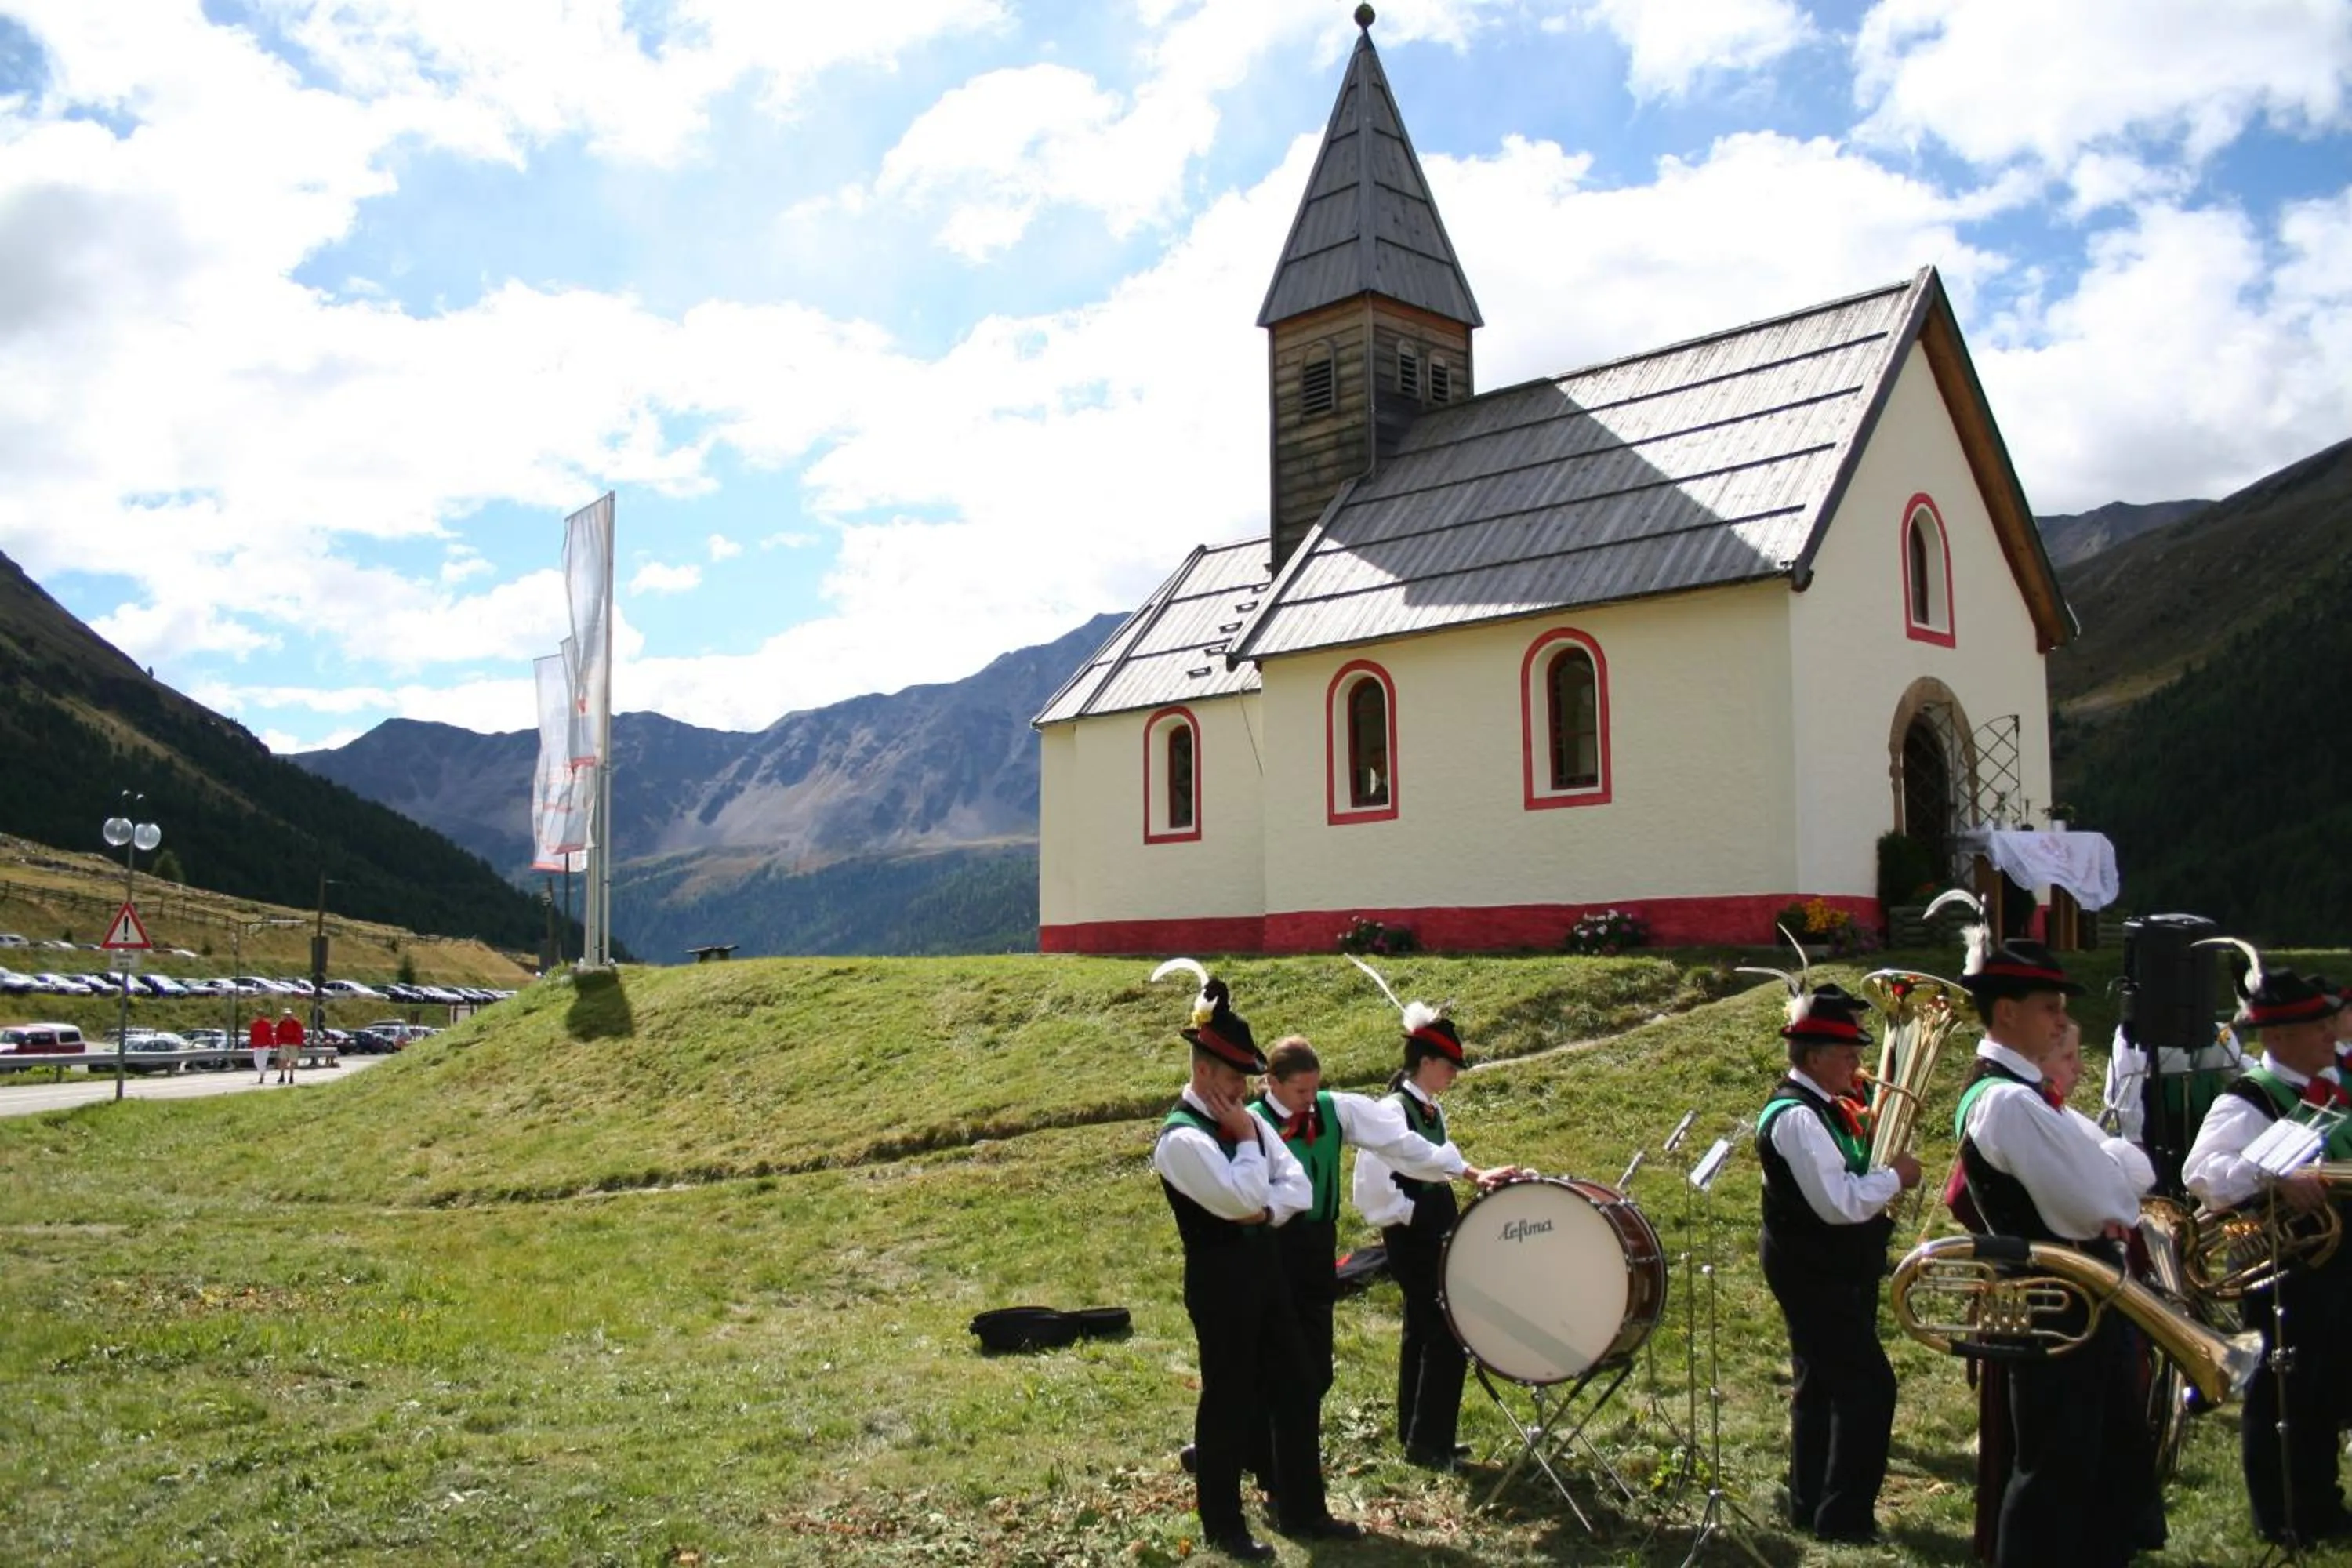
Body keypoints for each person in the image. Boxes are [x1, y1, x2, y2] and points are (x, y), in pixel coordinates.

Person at [1950, 927, 2161, 1567]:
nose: (2061, 1021)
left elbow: (2124, 1178)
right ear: (2007, 1012)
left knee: (2085, 1465)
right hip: (2057, 1308)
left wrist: (2114, 1182)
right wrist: (2115, 1191)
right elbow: (2105, 1203)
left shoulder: (2023, 1095)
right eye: (2050, 1009)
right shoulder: (2010, 1102)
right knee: (2054, 1475)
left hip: (2069, 1302)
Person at [1148, 962, 1353, 1559]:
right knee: (1229, 1397)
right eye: (1237, 1077)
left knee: (1298, 1383)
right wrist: (1245, 1150)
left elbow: (1296, 1190)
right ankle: (1224, 1525)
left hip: (1267, 1272)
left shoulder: (1244, 1125)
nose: (1244, 1090)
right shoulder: (1182, 1139)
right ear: (1205, 1070)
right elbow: (1240, 1196)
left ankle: (1302, 1509)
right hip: (1220, 1282)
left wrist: (1260, 1208)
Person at [1238, 1036, 1496, 1503]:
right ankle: (1265, 1466)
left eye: (1314, 1090)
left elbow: (1398, 1143)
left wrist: (1466, 1171)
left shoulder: (1334, 1109)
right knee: (1277, 1362)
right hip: (1271, 1245)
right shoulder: (1251, 1123)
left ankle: (1260, 1455)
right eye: (1299, 1092)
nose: (1308, 1102)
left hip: (1317, 1245)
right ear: (1271, 1083)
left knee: (1315, 1369)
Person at [2183, 944, 2352, 1546]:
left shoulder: (2332, 1086)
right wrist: (2272, 1175)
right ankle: (2284, 1515)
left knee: (2328, 1386)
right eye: (2317, 1026)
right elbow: (2201, 1172)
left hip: (2335, 1263)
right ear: (2279, 1036)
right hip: (2282, 1266)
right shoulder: (2247, 1098)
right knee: (2285, 1390)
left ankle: (2322, 1504)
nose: (2330, 1033)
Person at [1752, 981, 1921, 1544]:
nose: (1856, 1064)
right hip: (1813, 1266)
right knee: (1867, 1388)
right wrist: (1896, 1176)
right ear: (1816, 1057)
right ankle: (1846, 1520)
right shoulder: (1798, 1118)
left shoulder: (1823, 1109)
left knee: (1821, 1386)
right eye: (1848, 1055)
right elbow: (1838, 1203)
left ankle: (1811, 1503)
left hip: (1827, 1263)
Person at [1349, 991, 1516, 1470]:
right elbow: (1373, 1185)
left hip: (1435, 1220)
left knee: (1421, 1331)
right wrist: (1413, 1217)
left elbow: (1443, 1162)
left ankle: (1420, 1431)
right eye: (1449, 1065)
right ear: (1425, 1061)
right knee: (1446, 1331)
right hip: (1412, 1230)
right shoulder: (1393, 1111)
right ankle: (1428, 1442)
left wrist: (1476, 1178)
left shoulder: (1431, 1111)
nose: (1454, 1074)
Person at [273, 1007, 304, 1084]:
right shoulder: (281, 1024)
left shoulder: (296, 1023)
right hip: (284, 1044)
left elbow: (300, 1034)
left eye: (289, 1015)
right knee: (283, 1060)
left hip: (294, 1044)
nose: (287, 1016)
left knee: (292, 1061)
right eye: (286, 1015)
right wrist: (278, 1044)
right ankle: (282, 1076)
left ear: (291, 1015)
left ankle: (291, 1076)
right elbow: (278, 1034)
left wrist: (300, 1044)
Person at [249, 1013, 273, 1083]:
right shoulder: (254, 1025)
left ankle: (262, 1076)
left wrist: (272, 1043)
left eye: (261, 1015)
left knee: (263, 1060)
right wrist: (252, 1043)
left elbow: (270, 1034)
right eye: (258, 1015)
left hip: (266, 1045)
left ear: (263, 1016)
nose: (260, 1017)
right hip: (257, 1045)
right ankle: (262, 1073)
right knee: (256, 1061)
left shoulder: (267, 1024)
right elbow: (252, 1035)